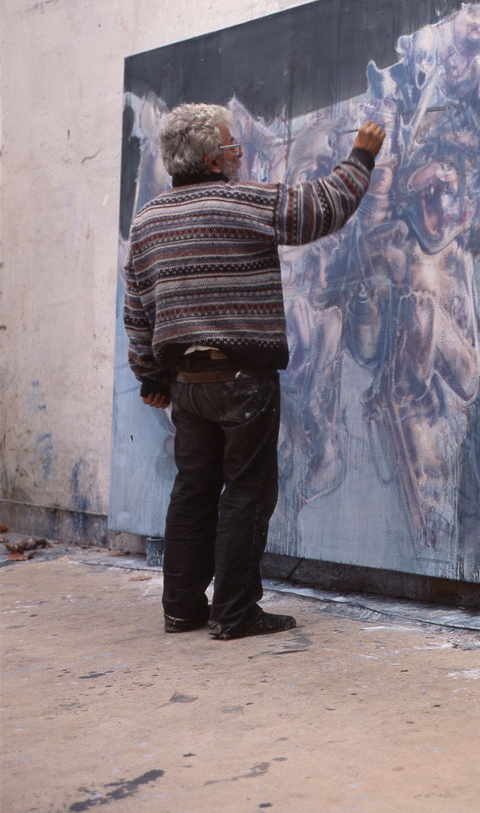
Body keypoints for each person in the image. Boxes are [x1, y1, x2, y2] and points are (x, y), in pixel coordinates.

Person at [123, 102, 385, 639]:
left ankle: (181, 609)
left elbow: (138, 309)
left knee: (193, 489)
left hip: (187, 386)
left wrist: (150, 377)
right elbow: (323, 208)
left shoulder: (148, 221)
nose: (240, 154)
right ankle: (235, 612)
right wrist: (361, 156)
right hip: (243, 380)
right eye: (232, 146)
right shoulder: (246, 200)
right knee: (247, 490)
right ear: (214, 160)